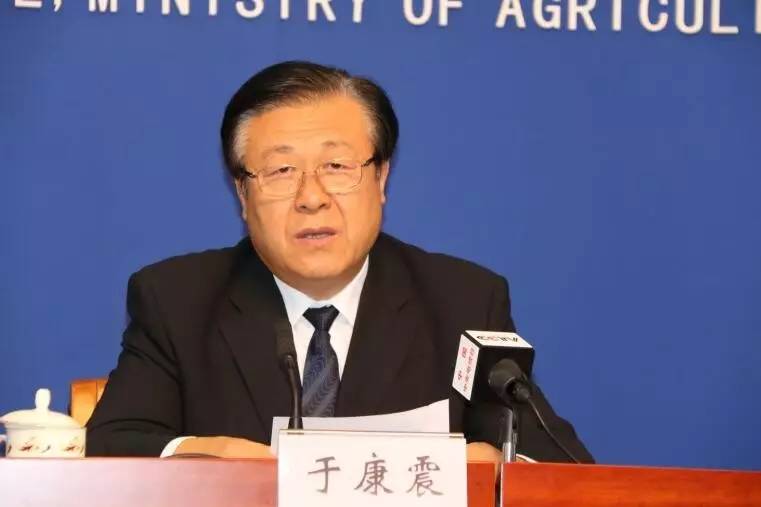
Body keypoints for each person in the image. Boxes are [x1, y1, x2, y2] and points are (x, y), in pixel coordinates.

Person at [86, 61, 593, 463]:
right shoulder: (177, 300)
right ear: (242, 194)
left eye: (336, 166)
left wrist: (497, 467)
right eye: (281, 170)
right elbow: (113, 444)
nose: (312, 197)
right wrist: (203, 455)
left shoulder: (462, 300)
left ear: (381, 178)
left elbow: (559, 467)